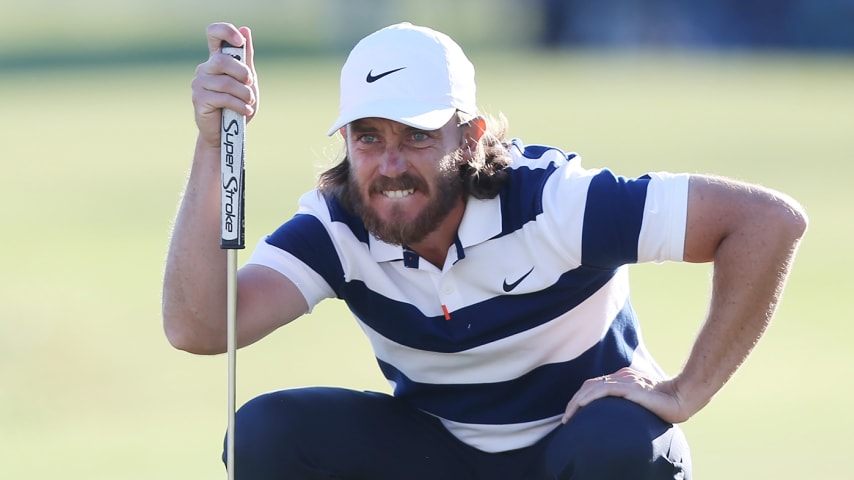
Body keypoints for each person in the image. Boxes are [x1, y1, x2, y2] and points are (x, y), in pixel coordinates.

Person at [163, 21, 807, 480]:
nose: (389, 164)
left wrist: (686, 390)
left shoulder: (557, 202)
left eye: (416, 136)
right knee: (267, 437)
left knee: (618, 446)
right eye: (367, 137)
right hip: (440, 452)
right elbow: (199, 325)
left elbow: (766, 222)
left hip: (579, 453)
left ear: (469, 136)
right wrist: (210, 140)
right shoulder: (340, 223)